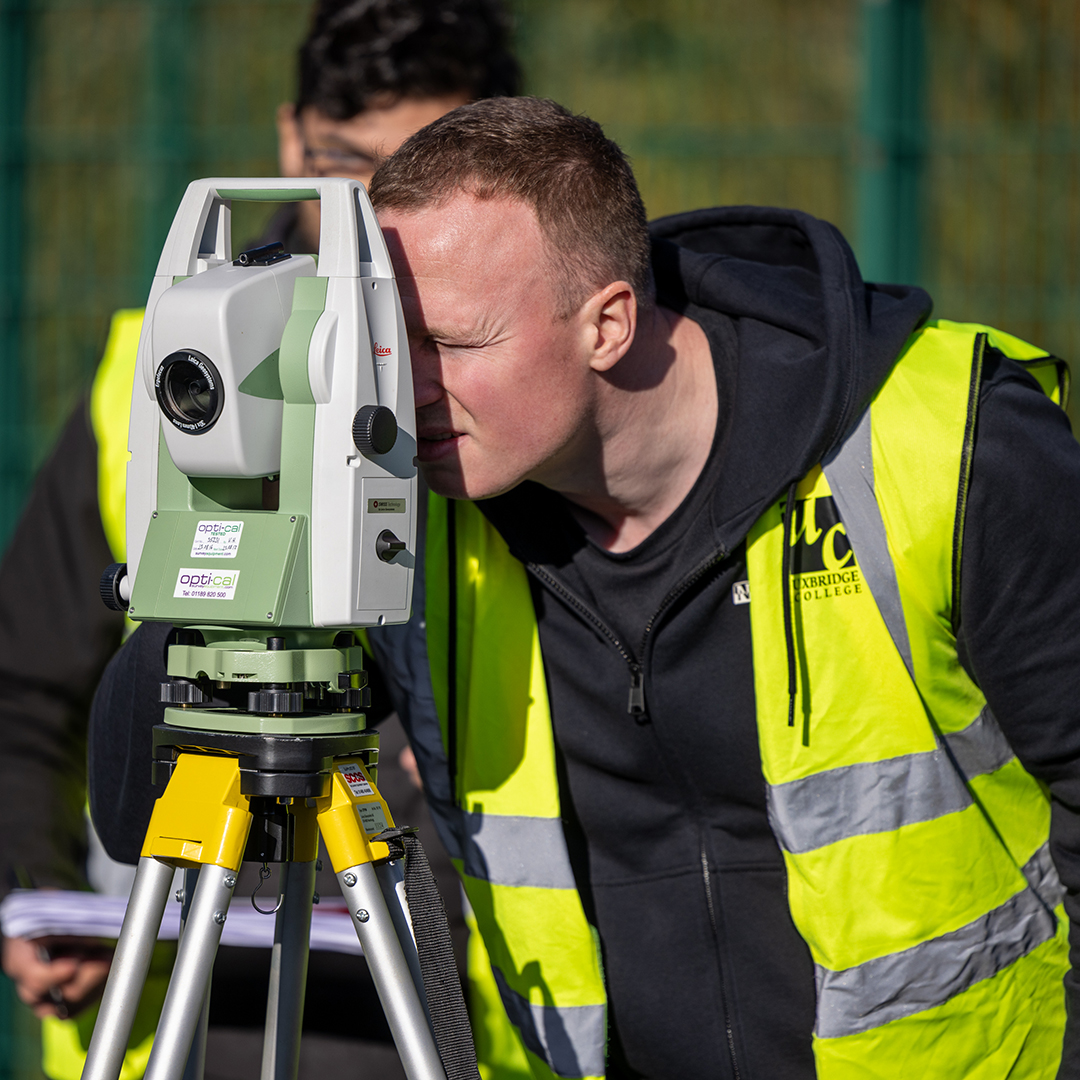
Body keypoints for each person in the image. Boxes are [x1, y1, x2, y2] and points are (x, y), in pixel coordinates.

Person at [96, 94, 1080, 1078]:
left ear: (607, 323)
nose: (404, 390)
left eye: (451, 345)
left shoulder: (942, 447)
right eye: (385, 348)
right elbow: (149, 808)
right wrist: (251, 527)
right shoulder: (406, 503)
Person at [0, 3, 519, 1078]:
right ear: (292, 140)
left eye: (413, 173)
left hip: (460, 996)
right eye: (345, 165)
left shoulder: (511, 392)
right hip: (188, 1013)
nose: (373, 210)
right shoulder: (153, 374)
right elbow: (23, 690)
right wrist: (29, 894)